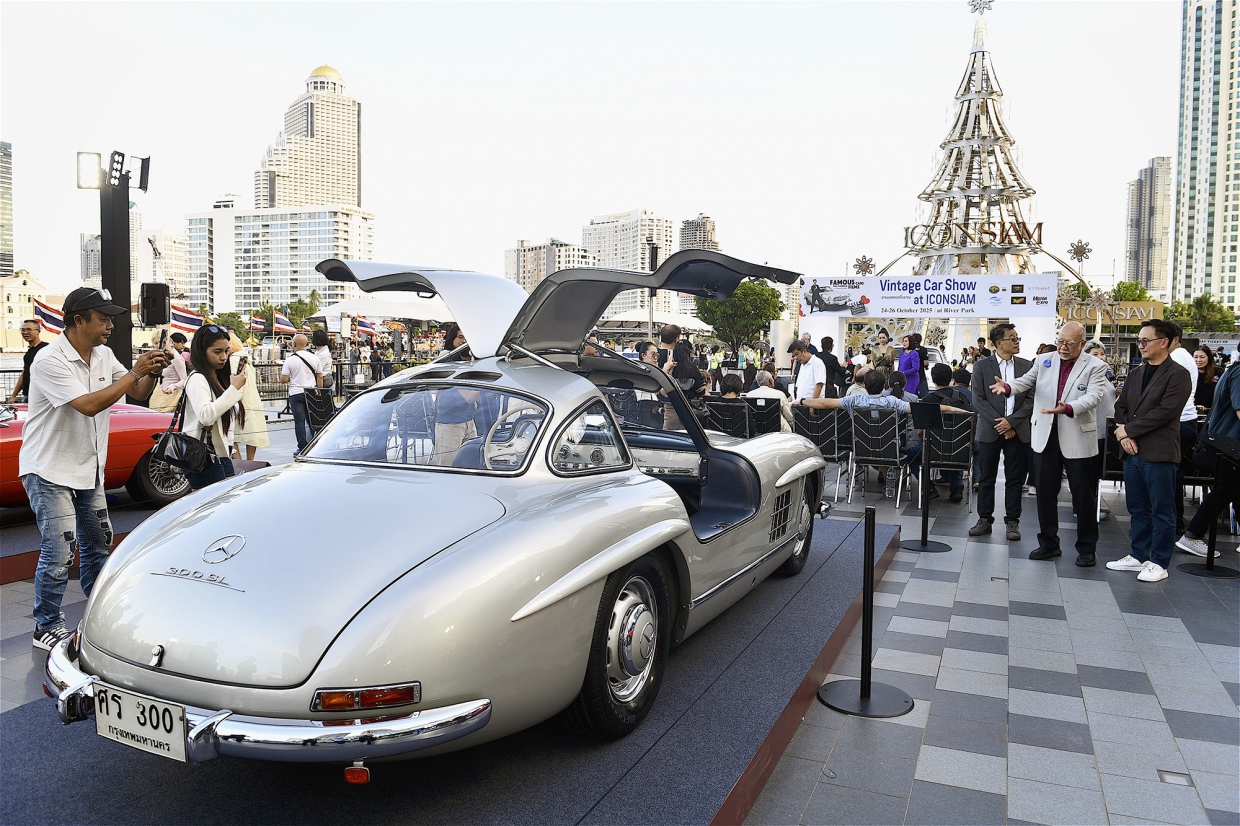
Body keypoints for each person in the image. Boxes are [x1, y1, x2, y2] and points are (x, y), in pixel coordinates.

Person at [18, 287, 169, 650]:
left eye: (111, 319)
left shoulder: (103, 355)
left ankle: (103, 617)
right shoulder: (50, 359)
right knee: (60, 551)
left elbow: (136, 392)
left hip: (88, 467)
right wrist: (135, 372)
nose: (110, 326)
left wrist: (151, 370)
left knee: (99, 546)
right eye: (103, 319)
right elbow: (88, 405)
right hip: (48, 468)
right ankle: (46, 625)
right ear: (78, 320)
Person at [990, 321, 1108, 566]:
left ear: (1082, 344)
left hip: (1078, 436)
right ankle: (1048, 543)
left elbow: (1094, 396)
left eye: (1070, 344)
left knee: (1083, 495)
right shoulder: (1046, 359)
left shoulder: (1096, 366)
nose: (1063, 348)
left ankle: (1087, 548)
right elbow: (1027, 380)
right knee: (1044, 492)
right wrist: (1008, 387)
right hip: (1045, 436)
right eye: (1061, 342)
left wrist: (1069, 408)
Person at [1106, 320, 1193, 583]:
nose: (1140, 345)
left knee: (1162, 510)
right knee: (1137, 508)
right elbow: (1120, 406)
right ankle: (1138, 554)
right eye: (1140, 341)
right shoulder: (1135, 372)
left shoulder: (1178, 374)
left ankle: (1159, 561)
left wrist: (1127, 431)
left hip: (1159, 452)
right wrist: (1123, 434)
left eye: (1146, 341)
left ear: (1163, 342)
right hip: (1132, 452)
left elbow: (1165, 413)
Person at [796, 369, 967, 498]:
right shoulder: (893, 401)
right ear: (884, 386)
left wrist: (803, 401)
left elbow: (826, 403)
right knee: (887, 442)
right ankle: (889, 478)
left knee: (873, 441)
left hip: (861, 448)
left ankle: (884, 475)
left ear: (864, 386)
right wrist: (953, 408)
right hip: (889, 449)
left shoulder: (854, 400)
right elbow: (922, 409)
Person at [969, 323, 1033, 540]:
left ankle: (1013, 522)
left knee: (1015, 479)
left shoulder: (1027, 366)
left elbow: (1032, 399)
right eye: (1012, 338)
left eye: (1017, 338)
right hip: (990, 430)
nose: (1016, 342)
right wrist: (1001, 424)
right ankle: (984, 519)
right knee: (986, 477)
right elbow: (977, 399)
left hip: (1018, 430)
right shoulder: (981, 366)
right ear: (998, 343)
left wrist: (1012, 423)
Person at [1177, 358, 1240, 556]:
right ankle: (1192, 535)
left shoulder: (1231, 371)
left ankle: (1193, 535)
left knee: (1232, 490)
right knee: (1225, 491)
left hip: (1225, 444)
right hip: (1229, 445)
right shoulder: (1238, 373)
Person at [182, 325, 247, 490]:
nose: (223, 357)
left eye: (226, 351)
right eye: (217, 352)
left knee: (224, 505)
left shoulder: (217, 377)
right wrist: (233, 390)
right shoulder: (198, 378)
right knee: (209, 509)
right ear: (202, 351)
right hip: (203, 455)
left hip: (221, 453)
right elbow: (206, 415)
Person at [924, 363, 975, 502]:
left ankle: (929, 487)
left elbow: (920, 432)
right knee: (956, 444)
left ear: (933, 380)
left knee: (911, 456)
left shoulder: (928, 400)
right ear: (951, 378)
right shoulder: (962, 398)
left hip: (933, 448)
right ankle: (957, 487)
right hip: (960, 449)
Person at [280, 333, 323, 452]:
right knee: (312, 421)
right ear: (306, 344)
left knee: (299, 422)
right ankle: (315, 445)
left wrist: (292, 377)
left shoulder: (290, 360)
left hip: (296, 393)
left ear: (293, 344)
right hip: (311, 392)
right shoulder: (314, 357)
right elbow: (319, 376)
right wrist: (319, 391)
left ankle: (302, 447)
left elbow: (283, 379)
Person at [663, 341, 705, 430]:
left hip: (671, 410)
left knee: (670, 438)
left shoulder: (670, 368)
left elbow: (662, 390)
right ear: (689, 352)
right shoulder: (693, 370)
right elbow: (701, 390)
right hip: (690, 411)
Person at [7, 318, 48, 403]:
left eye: (29, 330)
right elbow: (24, 374)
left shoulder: (46, 349)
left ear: (38, 331)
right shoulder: (28, 353)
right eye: (23, 330)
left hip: (42, 397)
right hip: (27, 395)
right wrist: (13, 396)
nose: (25, 332)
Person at [1195, 345, 1218, 411]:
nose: (1198, 360)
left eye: (1202, 357)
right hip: (1194, 410)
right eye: (1195, 357)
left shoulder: (1218, 372)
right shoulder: (1188, 372)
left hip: (1213, 410)